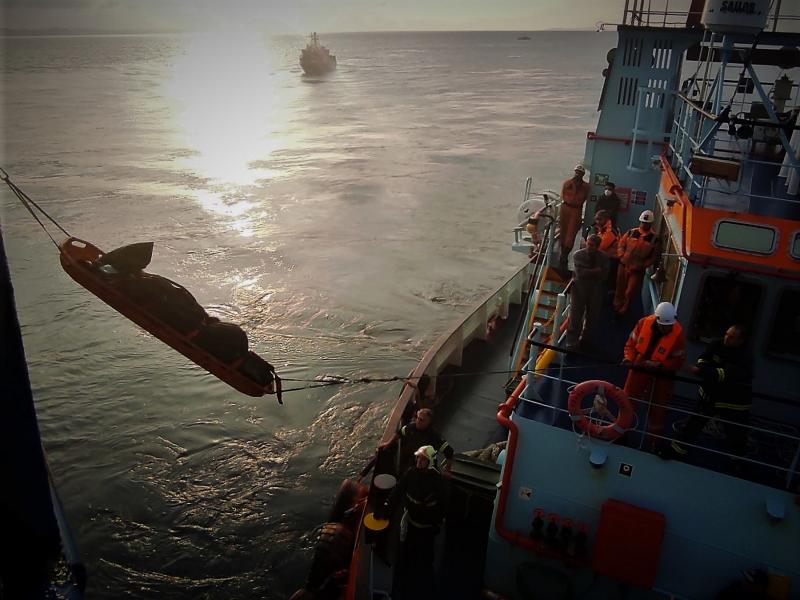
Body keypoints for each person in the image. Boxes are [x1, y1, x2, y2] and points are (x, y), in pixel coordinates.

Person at [665, 325, 752, 463]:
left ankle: (738, 462)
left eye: (732, 337)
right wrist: (702, 368)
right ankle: (676, 451)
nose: (726, 338)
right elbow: (704, 359)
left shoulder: (745, 357)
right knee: (692, 425)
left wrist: (697, 370)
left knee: (736, 434)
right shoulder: (717, 344)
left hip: (733, 402)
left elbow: (724, 375)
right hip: (709, 395)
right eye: (726, 334)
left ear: (741, 341)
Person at [375, 445, 449, 600]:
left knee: (426, 557)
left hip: (427, 529)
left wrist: (437, 523)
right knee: (407, 553)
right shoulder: (410, 474)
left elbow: (444, 504)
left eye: (424, 459)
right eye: (419, 457)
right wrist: (385, 509)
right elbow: (397, 493)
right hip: (412, 523)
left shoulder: (437, 481)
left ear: (430, 462)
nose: (419, 461)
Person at [622, 302, 685, 449]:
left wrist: (662, 366)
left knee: (658, 407)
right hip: (639, 364)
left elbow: (678, 360)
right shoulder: (643, 323)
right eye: (664, 326)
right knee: (627, 400)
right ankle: (622, 433)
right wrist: (629, 359)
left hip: (662, 373)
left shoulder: (678, 335)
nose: (667, 329)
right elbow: (630, 344)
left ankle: (655, 441)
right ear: (657, 320)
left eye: (669, 326)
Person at [566, 234, 608, 350]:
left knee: (593, 316)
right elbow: (580, 273)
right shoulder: (578, 255)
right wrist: (596, 271)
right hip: (579, 289)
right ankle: (572, 342)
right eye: (588, 244)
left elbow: (604, 275)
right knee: (575, 315)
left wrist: (590, 272)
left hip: (595, 290)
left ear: (598, 246)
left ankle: (586, 340)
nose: (589, 247)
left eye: (592, 245)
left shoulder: (604, 257)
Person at [380, 408, 454, 474]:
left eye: (422, 420)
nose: (418, 421)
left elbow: (449, 451)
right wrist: (388, 443)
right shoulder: (411, 427)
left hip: (426, 468)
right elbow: (400, 433)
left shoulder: (434, 437)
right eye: (418, 418)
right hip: (411, 462)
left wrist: (447, 470)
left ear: (429, 423)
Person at [614, 209, 658, 316]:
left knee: (630, 291)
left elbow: (654, 257)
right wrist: (621, 255)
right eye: (643, 222)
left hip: (637, 270)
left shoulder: (654, 239)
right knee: (619, 287)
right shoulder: (632, 232)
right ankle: (616, 307)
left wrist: (643, 265)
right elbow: (621, 244)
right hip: (623, 265)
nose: (644, 224)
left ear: (650, 224)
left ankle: (624, 309)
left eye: (647, 223)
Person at [559, 164, 591, 268]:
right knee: (563, 231)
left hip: (576, 210)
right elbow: (562, 195)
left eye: (580, 173)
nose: (577, 175)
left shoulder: (586, 187)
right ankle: (562, 254)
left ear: (582, 175)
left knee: (571, 233)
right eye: (576, 172)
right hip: (565, 208)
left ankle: (565, 255)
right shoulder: (567, 183)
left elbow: (585, 197)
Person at [593, 210, 620, 292]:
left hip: (611, 262)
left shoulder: (610, 231)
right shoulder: (602, 229)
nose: (597, 221)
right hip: (605, 259)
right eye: (596, 219)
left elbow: (600, 246)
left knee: (605, 286)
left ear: (606, 219)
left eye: (599, 219)